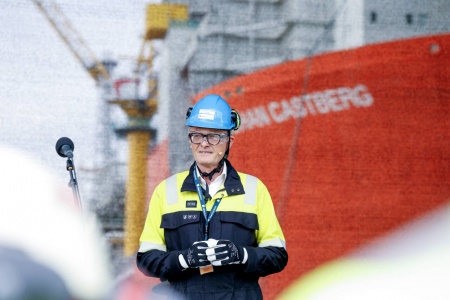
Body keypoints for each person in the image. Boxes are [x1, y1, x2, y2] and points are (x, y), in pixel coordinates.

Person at [137, 94, 288, 299]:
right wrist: (184, 259)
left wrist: (240, 254)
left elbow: (277, 256)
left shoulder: (254, 189)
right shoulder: (166, 191)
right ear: (190, 140)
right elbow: (147, 259)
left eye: (214, 136)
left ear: (229, 142)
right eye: (197, 135)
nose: (204, 143)